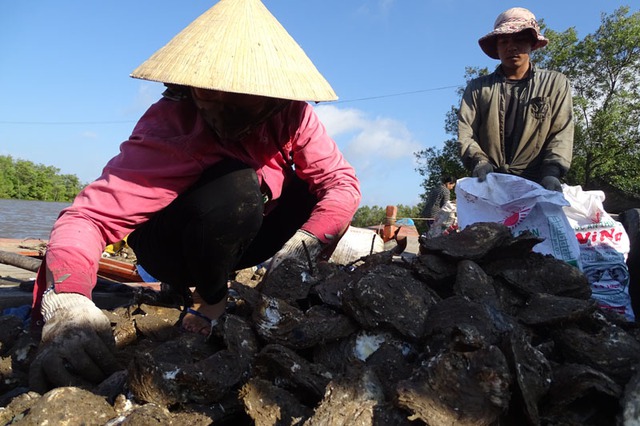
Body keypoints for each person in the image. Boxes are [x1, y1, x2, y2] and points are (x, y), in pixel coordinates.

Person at [29, 0, 361, 392]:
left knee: (307, 190)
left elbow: (341, 184)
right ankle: (211, 299)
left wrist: (302, 247)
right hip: (169, 245)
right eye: (211, 95)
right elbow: (86, 219)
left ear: (274, 97)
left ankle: (225, 281)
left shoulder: (292, 116)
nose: (223, 107)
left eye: (241, 98)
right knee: (234, 188)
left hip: (237, 239)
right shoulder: (170, 125)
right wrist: (67, 302)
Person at [458, 7, 574, 192]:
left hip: (538, 183)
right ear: (496, 46)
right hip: (490, 183)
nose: (511, 47)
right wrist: (479, 161)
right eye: (504, 41)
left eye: (520, 39)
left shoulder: (555, 83)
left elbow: (561, 132)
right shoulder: (477, 88)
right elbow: (466, 132)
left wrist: (552, 172)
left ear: (532, 43)